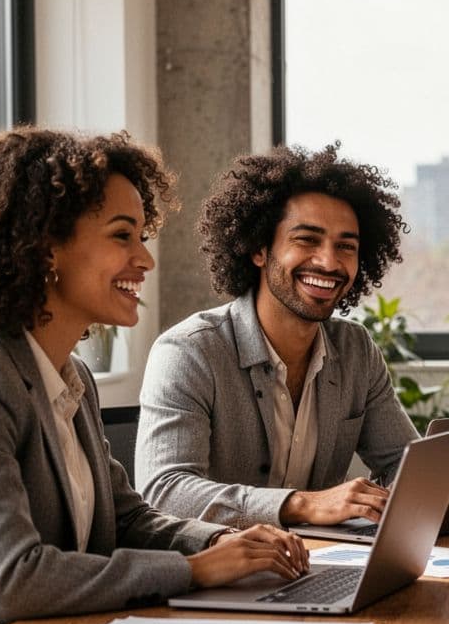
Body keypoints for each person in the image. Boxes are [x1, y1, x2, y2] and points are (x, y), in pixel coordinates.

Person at [0, 128, 309, 624]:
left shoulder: (69, 377)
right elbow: (12, 580)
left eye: (143, 235)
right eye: (123, 236)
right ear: (44, 243)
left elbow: (126, 517)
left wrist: (221, 539)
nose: (145, 259)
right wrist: (194, 570)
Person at [135, 143, 416, 529]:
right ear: (258, 250)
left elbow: (406, 464)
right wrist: (300, 504)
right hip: (219, 574)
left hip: (318, 561)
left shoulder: (356, 351)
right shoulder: (190, 351)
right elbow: (164, 490)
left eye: (345, 247)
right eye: (307, 240)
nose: (329, 262)